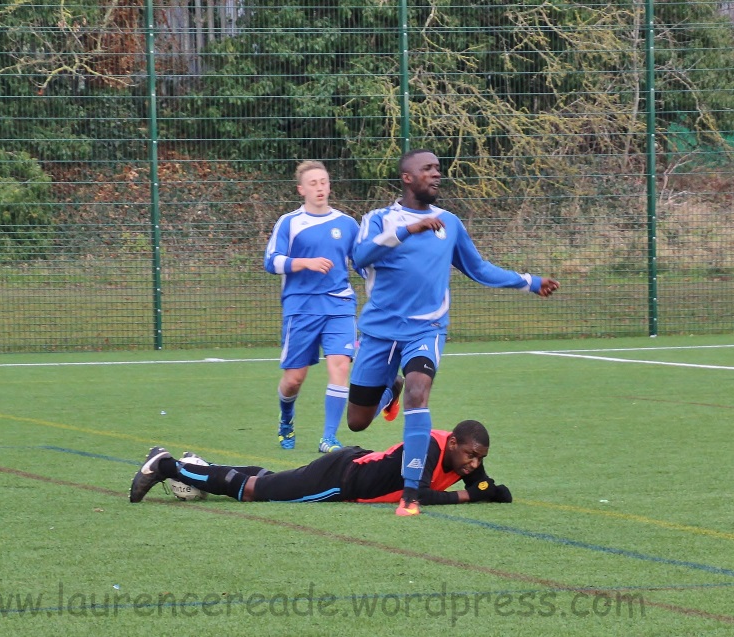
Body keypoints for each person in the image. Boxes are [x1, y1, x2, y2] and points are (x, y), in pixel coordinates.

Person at [347, 149, 560, 517]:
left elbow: (479, 269)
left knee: (418, 391)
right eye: (427, 168)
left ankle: (411, 493)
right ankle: (389, 389)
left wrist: (529, 281)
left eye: (438, 168)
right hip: (380, 332)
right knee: (357, 422)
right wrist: (407, 230)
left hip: (426, 329)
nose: (436, 173)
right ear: (407, 177)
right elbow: (359, 257)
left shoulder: (449, 223)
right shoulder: (379, 219)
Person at [263, 160, 387, 454]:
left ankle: (328, 438)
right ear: (301, 189)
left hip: (339, 304)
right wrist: (305, 262)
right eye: (313, 183)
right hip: (301, 307)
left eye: (323, 182)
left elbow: (361, 263)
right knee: (294, 380)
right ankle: (286, 418)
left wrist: (385, 285)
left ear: (329, 186)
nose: (319, 188)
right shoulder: (290, 222)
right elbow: (271, 261)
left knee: (340, 365)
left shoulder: (347, 224)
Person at [128, 419, 512, 507]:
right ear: (453, 442)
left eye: (479, 458)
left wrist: (489, 490)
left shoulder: (463, 457)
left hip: (349, 464)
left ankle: (199, 466)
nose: (473, 464)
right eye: (470, 455)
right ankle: (167, 466)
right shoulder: (427, 447)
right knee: (255, 491)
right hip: (340, 480)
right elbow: (418, 495)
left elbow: (482, 484)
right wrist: (471, 496)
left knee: (270, 479)